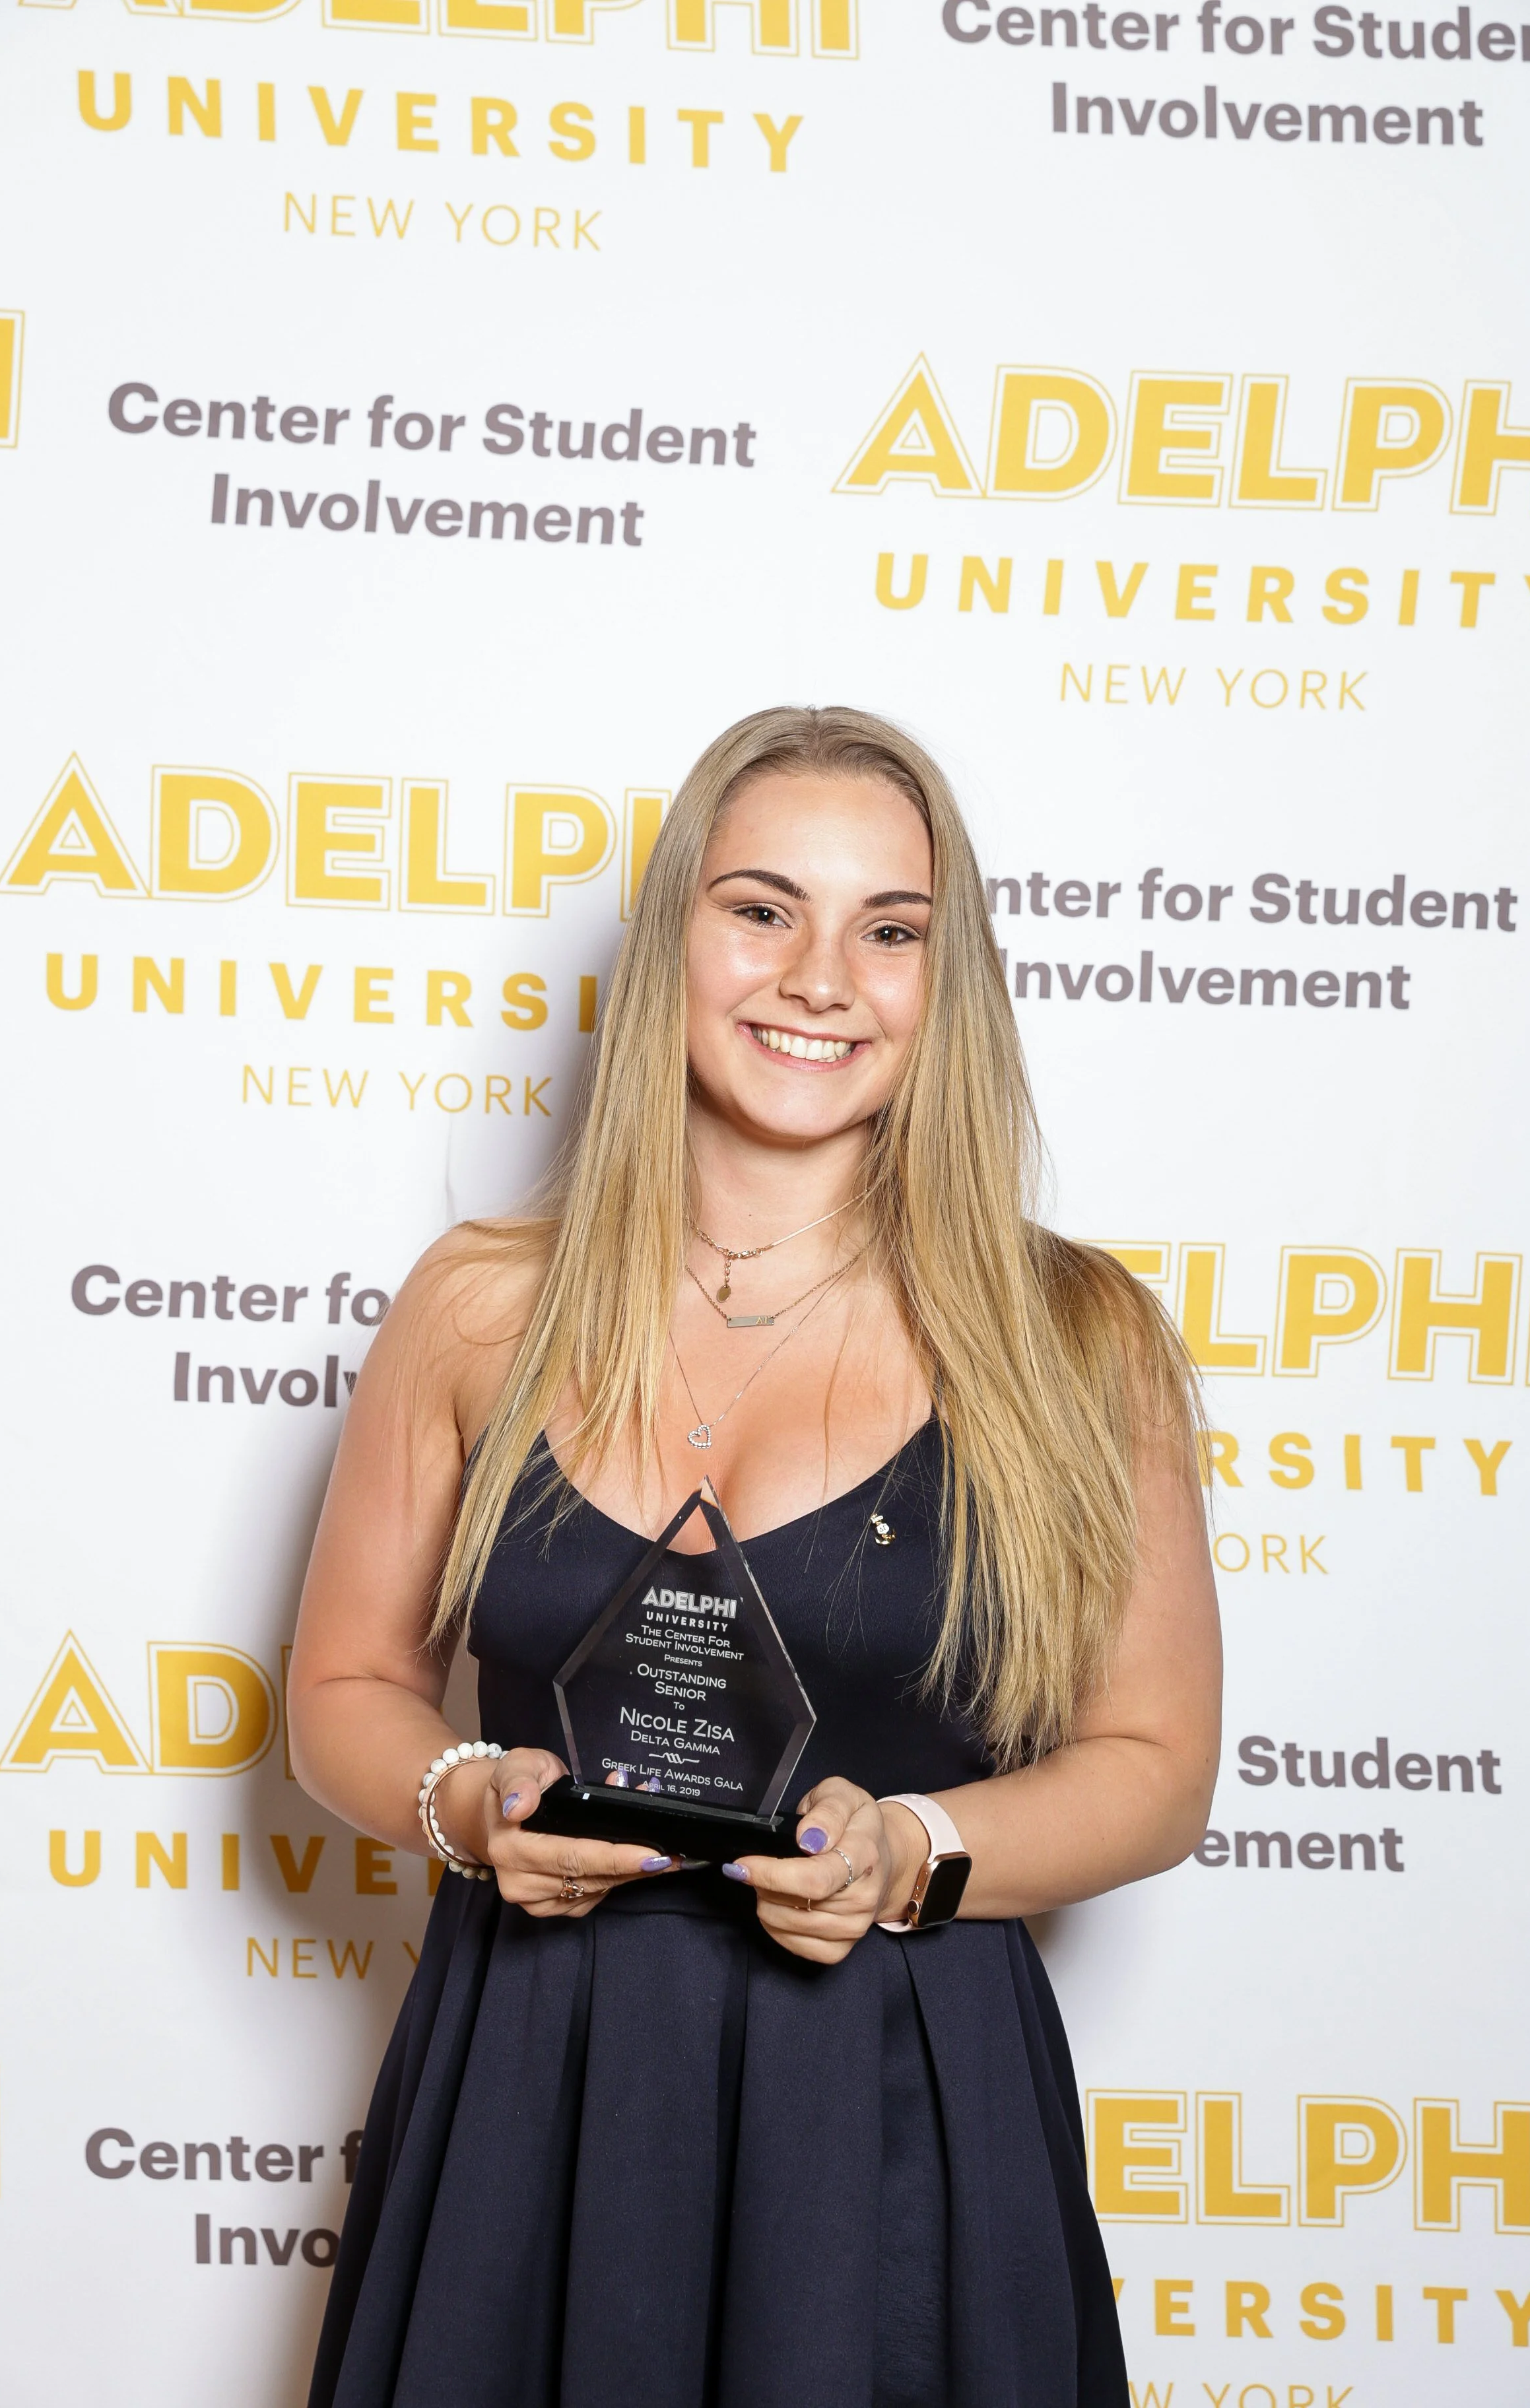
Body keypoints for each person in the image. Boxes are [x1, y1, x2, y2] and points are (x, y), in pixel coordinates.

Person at [290, 704, 1221, 2408]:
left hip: (893, 2098)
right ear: (676, 942)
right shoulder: (482, 1305)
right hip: (536, 2083)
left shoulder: (1075, 1338)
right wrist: (467, 1803)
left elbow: (1157, 1769)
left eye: (892, 930)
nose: (820, 977)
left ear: (952, 982)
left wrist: (917, 1848)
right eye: (762, 908)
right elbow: (346, 1690)